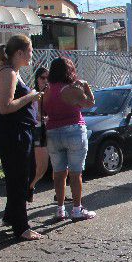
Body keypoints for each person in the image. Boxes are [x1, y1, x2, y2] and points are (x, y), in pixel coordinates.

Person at [0, 35, 43, 240]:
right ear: (20, 52)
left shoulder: (14, 72)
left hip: (19, 131)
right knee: (18, 179)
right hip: (12, 133)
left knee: (26, 174)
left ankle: (11, 216)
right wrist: (31, 95)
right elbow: (5, 107)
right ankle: (21, 227)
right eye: (30, 50)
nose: (31, 54)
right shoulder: (9, 73)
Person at [43, 56, 96, 221]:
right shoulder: (71, 89)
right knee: (75, 172)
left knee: (58, 173)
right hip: (73, 130)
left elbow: (43, 112)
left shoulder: (47, 90)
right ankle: (77, 209)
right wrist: (86, 86)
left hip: (52, 132)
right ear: (70, 71)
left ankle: (60, 209)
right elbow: (90, 103)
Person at [28, 66, 50, 202]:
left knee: (58, 164)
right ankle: (30, 186)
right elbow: (33, 115)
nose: (46, 81)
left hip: (51, 129)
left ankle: (60, 192)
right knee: (41, 167)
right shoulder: (33, 94)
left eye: (48, 78)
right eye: (43, 78)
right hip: (38, 130)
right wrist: (41, 118)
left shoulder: (51, 93)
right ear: (37, 79)